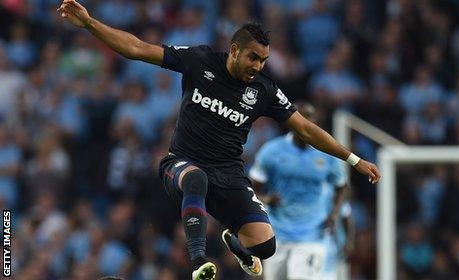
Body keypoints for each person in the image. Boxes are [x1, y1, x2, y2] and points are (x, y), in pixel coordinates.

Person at [56, 1, 381, 280]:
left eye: (264, 60)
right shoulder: (199, 61)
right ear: (235, 50)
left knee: (266, 247)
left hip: (228, 174)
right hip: (181, 164)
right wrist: (88, 23)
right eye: (253, 57)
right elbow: (137, 48)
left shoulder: (263, 90)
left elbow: (306, 129)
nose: (258, 66)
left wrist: (353, 159)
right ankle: (199, 262)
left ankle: (233, 239)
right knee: (195, 178)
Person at [248, 103, 349, 280]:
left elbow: (342, 186)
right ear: (292, 122)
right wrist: (266, 198)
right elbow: (252, 187)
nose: (308, 121)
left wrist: (333, 214)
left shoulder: (326, 153)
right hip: (278, 235)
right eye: (304, 117)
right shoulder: (271, 152)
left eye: (311, 117)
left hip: (312, 236)